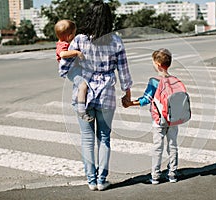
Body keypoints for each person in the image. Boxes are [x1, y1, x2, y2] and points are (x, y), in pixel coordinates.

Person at [59, 1, 132, 191]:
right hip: (106, 94)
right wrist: (127, 94)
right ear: (109, 19)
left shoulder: (80, 40)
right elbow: (124, 72)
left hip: (84, 96)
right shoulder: (115, 40)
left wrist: (79, 78)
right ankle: (102, 180)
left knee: (87, 139)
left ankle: (91, 181)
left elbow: (63, 67)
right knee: (104, 138)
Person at [122, 48, 179, 185]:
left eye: (154, 62)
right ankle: (172, 174)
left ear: (158, 64)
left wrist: (130, 103)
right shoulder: (175, 80)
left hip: (159, 120)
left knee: (157, 148)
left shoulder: (154, 81)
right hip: (173, 120)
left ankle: (155, 176)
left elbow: (146, 99)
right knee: (173, 146)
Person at [55, 19, 93, 122]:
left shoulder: (64, 41)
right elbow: (63, 54)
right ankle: (81, 109)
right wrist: (76, 52)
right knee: (82, 85)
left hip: (74, 68)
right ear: (68, 36)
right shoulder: (62, 44)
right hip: (70, 70)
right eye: (74, 34)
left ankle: (79, 103)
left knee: (81, 85)